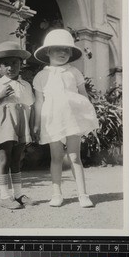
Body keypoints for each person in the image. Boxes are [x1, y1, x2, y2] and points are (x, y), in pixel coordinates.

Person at [33, 29, 99, 208]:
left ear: (71, 52)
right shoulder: (41, 76)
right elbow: (39, 102)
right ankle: (56, 194)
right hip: (52, 119)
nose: (62, 53)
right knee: (56, 157)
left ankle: (83, 195)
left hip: (73, 118)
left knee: (74, 156)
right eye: (57, 49)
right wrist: (37, 123)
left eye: (66, 50)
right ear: (47, 51)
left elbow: (83, 96)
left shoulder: (74, 72)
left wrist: (88, 117)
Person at [0, 41, 35, 210]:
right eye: (6, 64)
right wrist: (1, 95)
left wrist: (33, 126)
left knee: (17, 158)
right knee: (4, 158)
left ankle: (18, 194)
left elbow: (30, 106)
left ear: (21, 64)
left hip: (21, 121)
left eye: (15, 63)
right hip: (6, 122)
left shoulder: (26, 85)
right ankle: (4, 196)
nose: (11, 68)